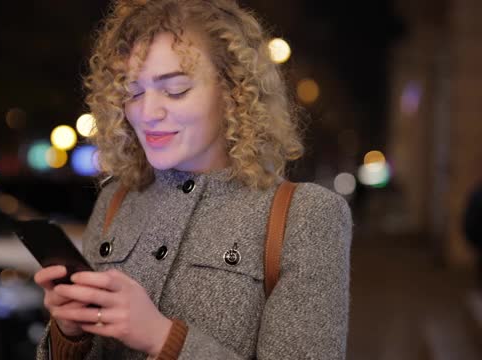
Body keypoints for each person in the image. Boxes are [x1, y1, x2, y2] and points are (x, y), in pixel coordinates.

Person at [34, 0, 352, 359]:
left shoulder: (305, 216)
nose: (148, 113)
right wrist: (69, 332)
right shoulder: (116, 200)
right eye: (133, 92)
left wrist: (162, 337)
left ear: (233, 92)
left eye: (176, 89)